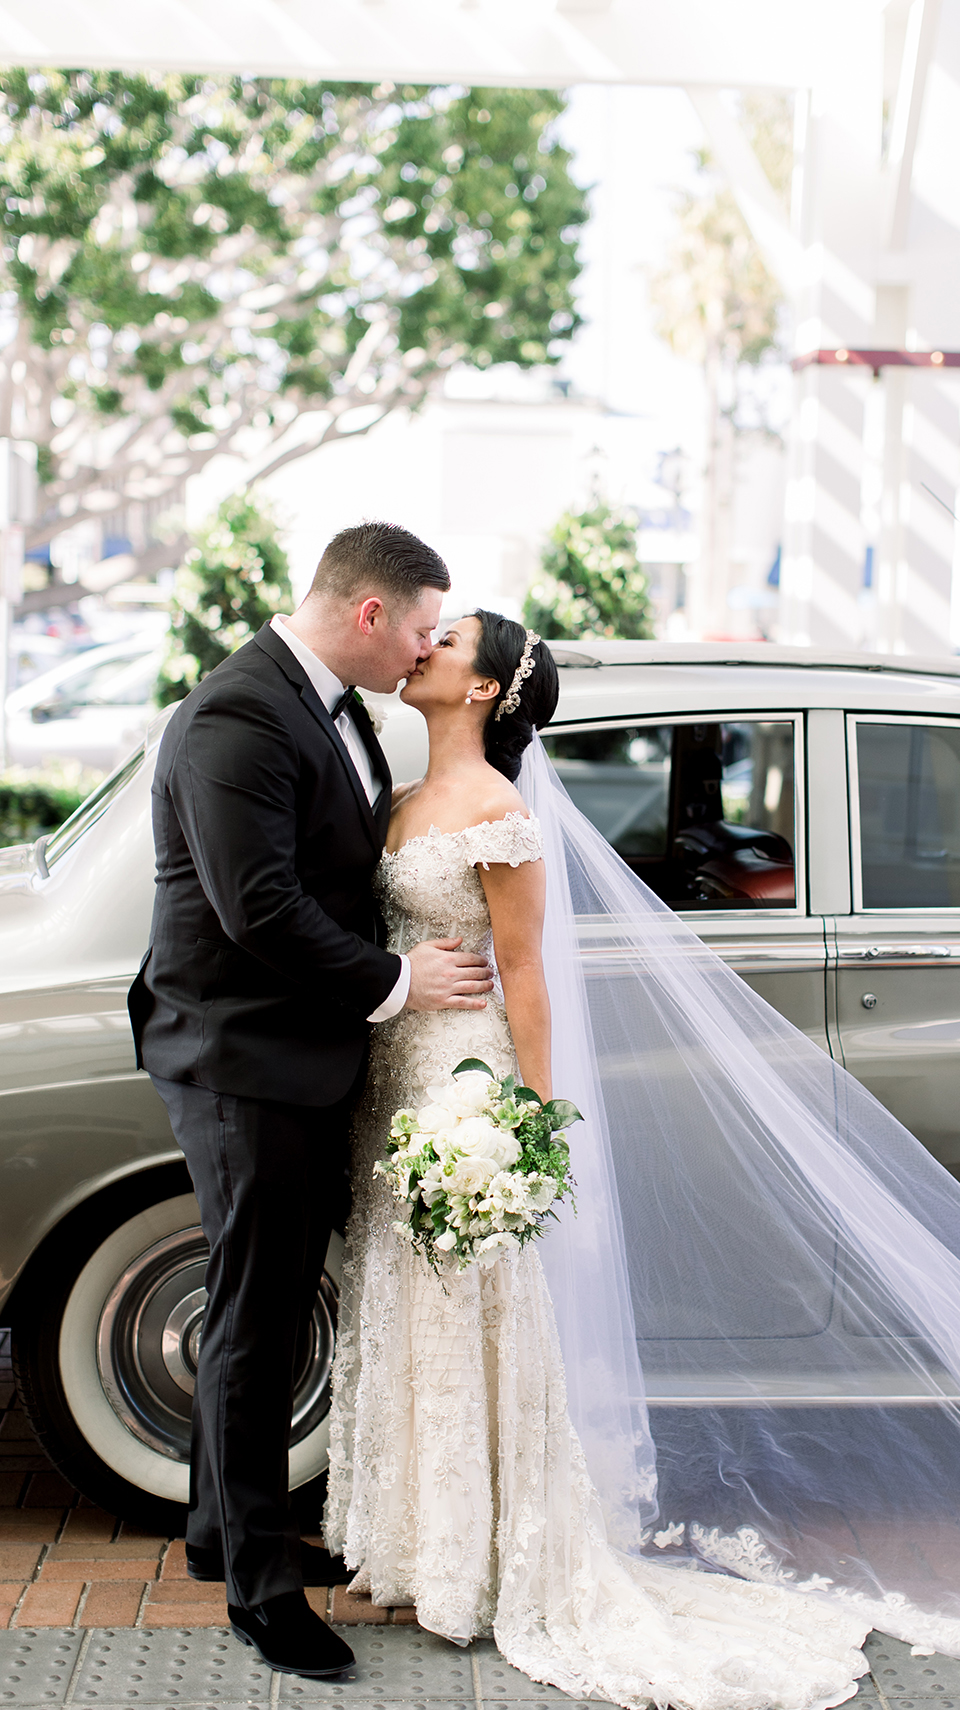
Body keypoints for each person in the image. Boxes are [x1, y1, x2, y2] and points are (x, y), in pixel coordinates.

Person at [327, 610, 960, 1710]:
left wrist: (530, 1121)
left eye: (451, 638)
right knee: (406, 1291)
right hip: (402, 1070)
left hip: (465, 1076)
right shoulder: (399, 800)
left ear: (481, 690)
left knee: (476, 1304)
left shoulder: (501, 813)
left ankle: (477, 1554)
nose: (425, 644)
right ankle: (414, 1537)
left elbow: (526, 973)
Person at [129, 523, 495, 1680]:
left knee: (272, 1304)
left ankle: (215, 1533)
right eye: (423, 629)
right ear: (371, 613)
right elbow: (259, 909)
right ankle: (261, 1593)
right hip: (240, 1056)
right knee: (255, 1321)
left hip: (300, 1053)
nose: (427, 650)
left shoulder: (333, 707)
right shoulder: (240, 714)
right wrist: (398, 982)